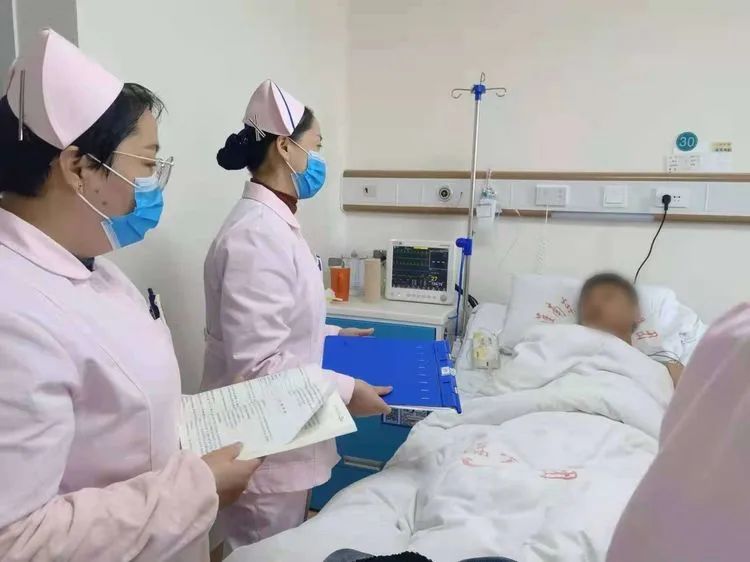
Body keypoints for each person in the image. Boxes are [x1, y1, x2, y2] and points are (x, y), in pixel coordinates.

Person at [0, 29, 260, 562]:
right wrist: (197, 487)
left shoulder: (97, 268)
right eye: (146, 164)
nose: (154, 184)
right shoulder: (13, 313)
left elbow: (127, 414)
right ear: (79, 168)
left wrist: (217, 418)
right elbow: (17, 540)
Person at [203, 80, 392, 550]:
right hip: (264, 445)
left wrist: (331, 332)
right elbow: (258, 364)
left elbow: (276, 324)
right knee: (265, 551)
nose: (319, 158)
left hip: (283, 432)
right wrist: (347, 392)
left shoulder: (276, 224)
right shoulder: (255, 236)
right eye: (316, 145)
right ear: (285, 147)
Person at [607, 303, 750, 561]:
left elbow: (679, 421)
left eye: (610, 298)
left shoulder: (727, 333)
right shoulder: (731, 333)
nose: (601, 308)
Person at [578, 272, 683, 386]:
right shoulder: (571, 356)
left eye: (607, 297)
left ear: (635, 312)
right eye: (587, 302)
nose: (596, 305)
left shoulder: (666, 372)